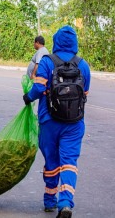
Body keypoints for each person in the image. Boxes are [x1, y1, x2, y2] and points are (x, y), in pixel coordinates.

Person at [22, 26, 91, 218]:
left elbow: (37, 89)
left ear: (55, 41)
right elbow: (84, 94)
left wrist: (27, 97)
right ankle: (65, 202)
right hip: (74, 124)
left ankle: (49, 200)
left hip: (49, 121)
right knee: (69, 162)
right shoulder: (82, 65)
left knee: (51, 161)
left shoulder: (47, 62)